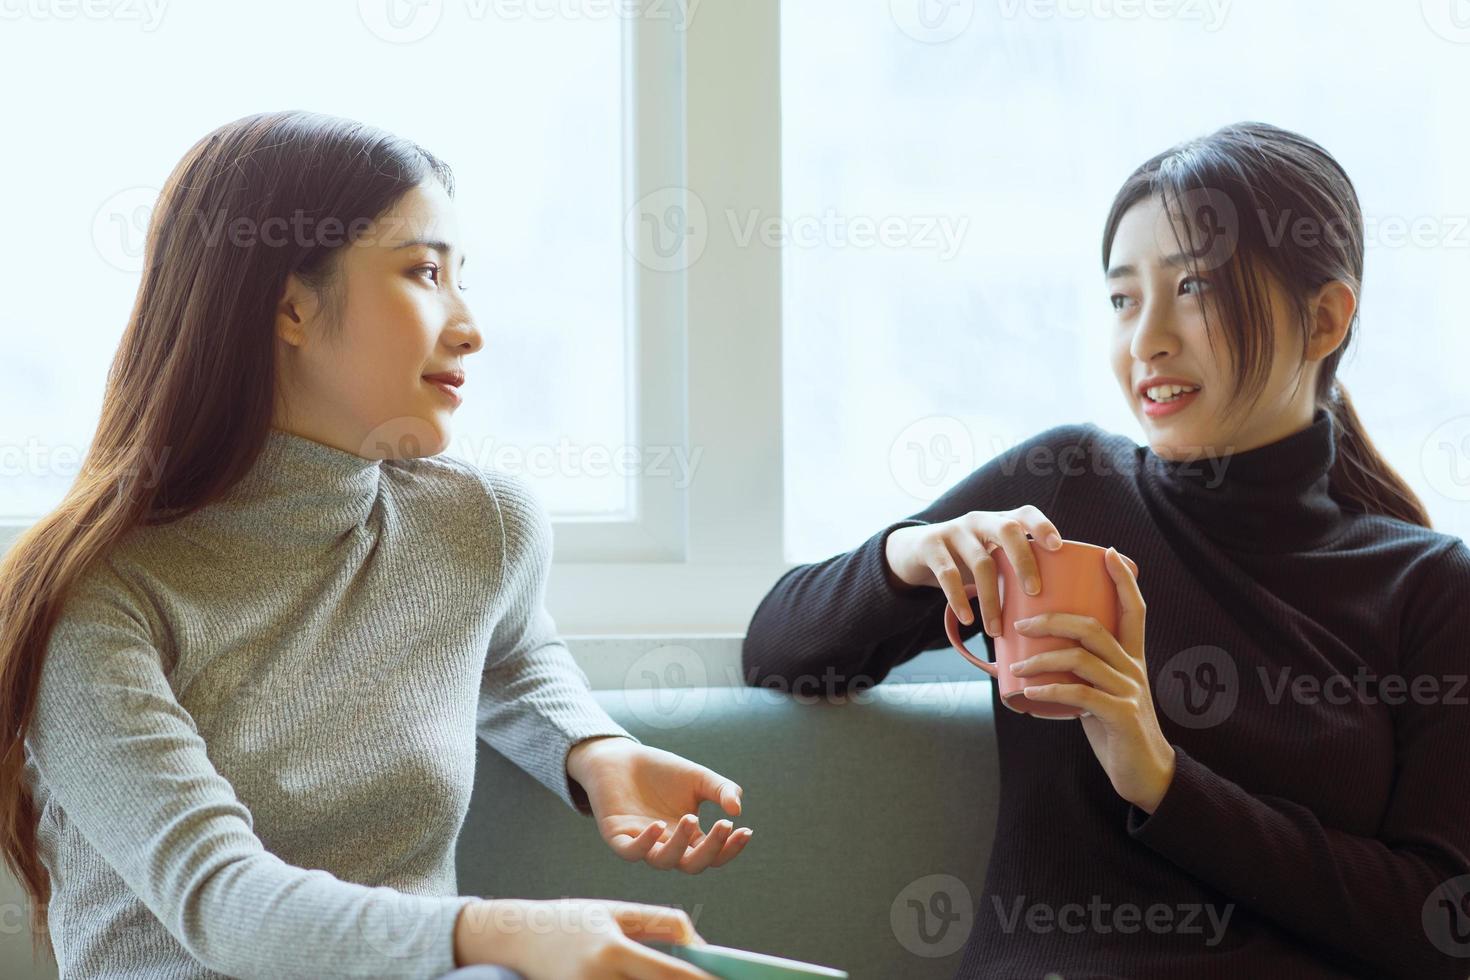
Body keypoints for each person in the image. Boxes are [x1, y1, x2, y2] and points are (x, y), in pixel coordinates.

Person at [0, 110, 751, 980]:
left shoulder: (477, 524)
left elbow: (508, 649)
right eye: (426, 272)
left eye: (461, 277)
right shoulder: (98, 597)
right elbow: (220, 900)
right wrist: (505, 933)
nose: (469, 327)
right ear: (288, 303)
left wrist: (593, 749)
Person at [742, 122, 1470, 978]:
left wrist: (1161, 778)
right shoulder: (1066, 487)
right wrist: (910, 555)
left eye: (1194, 287)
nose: (1147, 340)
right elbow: (779, 651)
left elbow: (1440, 926)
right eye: (1124, 299)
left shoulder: (1429, 587)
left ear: (1323, 318)